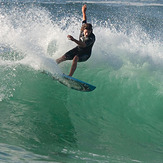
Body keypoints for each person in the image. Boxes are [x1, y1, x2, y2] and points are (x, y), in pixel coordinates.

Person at [56, 4, 95, 76]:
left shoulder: (91, 37)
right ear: (83, 30)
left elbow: (83, 45)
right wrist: (83, 12)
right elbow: (84, 20)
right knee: (63, 57)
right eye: (86, 31)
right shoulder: (83, 28)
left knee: (75, 58)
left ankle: (69, 76)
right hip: (78, 49)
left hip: (86, 54)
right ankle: (52, 66)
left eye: (89, 31)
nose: (87, 33)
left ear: (91, 31)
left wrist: (73, 39)